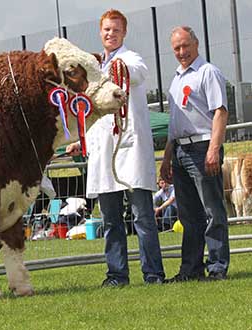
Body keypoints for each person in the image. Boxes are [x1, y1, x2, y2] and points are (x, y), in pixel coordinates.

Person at [66, 9, 165, 286]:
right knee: (110, 219)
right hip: (103, 150)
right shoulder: (93, 69)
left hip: (129, 148)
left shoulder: (129, 59)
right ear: (101, 32)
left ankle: (153, 273)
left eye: (116, 30)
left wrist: (118, 68)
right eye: (107, 30)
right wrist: (79, 141)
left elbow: (138, 72)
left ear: (124, 33)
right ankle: (117, 274)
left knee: (142, 216)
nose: (111, 34)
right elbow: (92, 112)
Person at [160, 26, 229, 282]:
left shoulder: (207, 72)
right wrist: (167, 156)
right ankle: (190, 269)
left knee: (212, 211)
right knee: (188, 215)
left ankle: (217, 266)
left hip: (202, 147)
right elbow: (174, 122)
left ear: (196, 44)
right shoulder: (177, 78)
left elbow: (220, 112)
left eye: (185, 46)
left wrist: (213, 148)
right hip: (179, 148)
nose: (181, 52)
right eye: (176, 48)